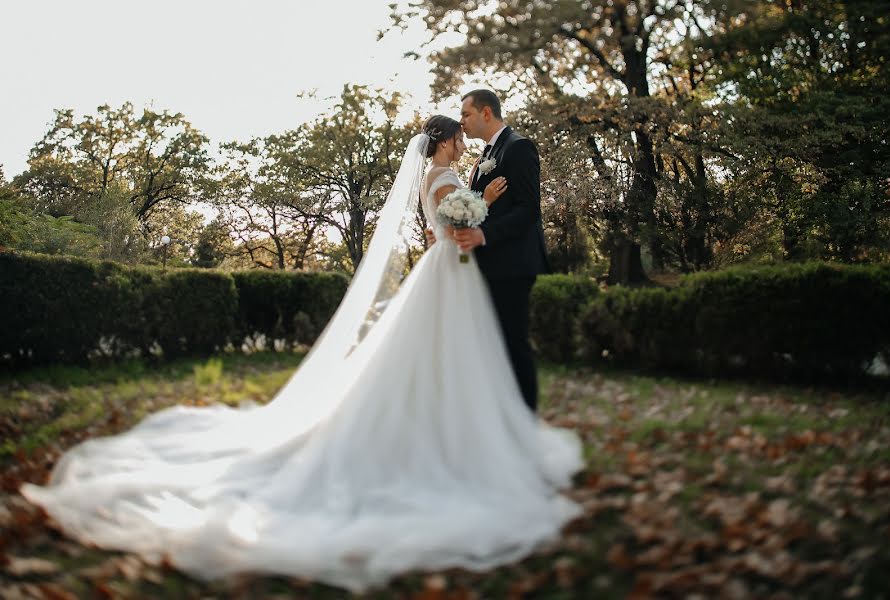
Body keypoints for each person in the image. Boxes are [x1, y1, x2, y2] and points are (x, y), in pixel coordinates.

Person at [21, 117, 582, 594]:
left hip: (450, 279)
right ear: (439, 143)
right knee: (433, 359)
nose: (462, 143)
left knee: (451, 360)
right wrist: (480, 203)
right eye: (456, 137)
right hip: (445, 274)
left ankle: (458, 427)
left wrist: (476, 205)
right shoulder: (443, 176)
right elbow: (452, 228)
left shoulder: (440, 171)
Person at [440, 89, 550, 412]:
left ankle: (525, 420)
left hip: (513, 265)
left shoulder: (518, 148)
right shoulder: (482, 158)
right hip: (488, 267)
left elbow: (529, 210)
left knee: (514, 344)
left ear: (486, 113)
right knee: (494, 347)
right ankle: (504, 417)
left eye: (466, 114)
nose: (462, 121)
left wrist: (482, 236)